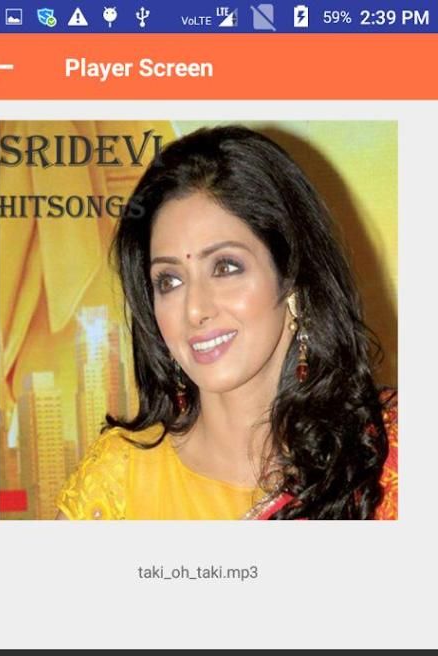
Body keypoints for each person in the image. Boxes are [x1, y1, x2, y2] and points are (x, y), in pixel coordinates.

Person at [56, 125, 397, 521]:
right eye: (169, 281)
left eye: (225, 267)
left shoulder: (386, 456)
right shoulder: (117, 485)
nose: (194, 309)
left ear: (292, 277)